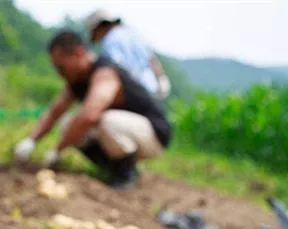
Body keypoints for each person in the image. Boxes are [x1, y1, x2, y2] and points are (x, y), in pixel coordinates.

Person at [14, 31, 171, 188]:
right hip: (127, 132)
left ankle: (126, 174)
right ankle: (112, 169)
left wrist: (57, 150)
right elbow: (54, 112)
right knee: (68, 124)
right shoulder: (76, 82)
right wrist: (30, 141)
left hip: (152, 135)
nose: (59, 73)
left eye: (61, 67)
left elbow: (90, 115)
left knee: (106, 120)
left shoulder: (105, 73)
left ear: (79, 53)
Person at [85, 9, 171, 100]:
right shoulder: (132, 34)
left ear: (99, 27)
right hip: (150, 90)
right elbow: (151, 59)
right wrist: (161, 78)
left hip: (133, 92)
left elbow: (117, 68)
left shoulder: (110, 41)